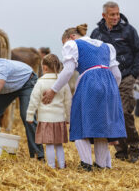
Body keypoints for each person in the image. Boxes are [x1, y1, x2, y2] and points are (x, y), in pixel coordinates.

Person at [42, 24, 126, 171]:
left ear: (70, 37)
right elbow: (117, 74)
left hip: (89, 81)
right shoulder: (106, 46)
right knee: (101, 127)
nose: (65, 46)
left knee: (79, 121)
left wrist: (53, 90)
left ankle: (86, 164)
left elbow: (68, 71)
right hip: (110, 84)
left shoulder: (72, 44)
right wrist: (110, 90)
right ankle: (101, 166)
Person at [90, 1, 139, 163]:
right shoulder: (96, 34)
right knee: (111, 114)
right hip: (106, 80)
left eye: (117, 14)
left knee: (124, 112)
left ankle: (134, 148)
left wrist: (133, 74)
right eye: (112, 14)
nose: (115, 17)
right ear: (104, 15)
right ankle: (121, 150)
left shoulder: (129, 31)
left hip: (126, 77)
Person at [26, 54, 71, 169]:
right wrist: (68, 117)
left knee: (49, 145)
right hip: (59, 119)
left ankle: (51, 167)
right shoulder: (63, 82)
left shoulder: (40, 82)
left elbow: (33, 100)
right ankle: (61, 165)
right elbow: (68, 101)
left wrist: (30, 115)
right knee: (58, 144)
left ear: (44, 68)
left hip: (45, 120)